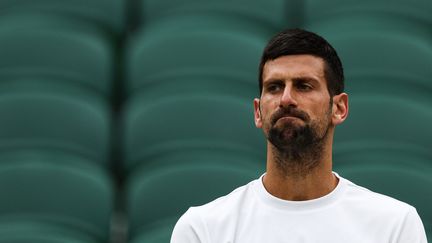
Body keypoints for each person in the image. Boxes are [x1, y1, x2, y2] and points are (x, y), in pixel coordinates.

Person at [170, 28, 428, 243]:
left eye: (304, 86)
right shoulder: (203, 230)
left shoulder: (394, 226)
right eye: (274, 87)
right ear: (258, 111)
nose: (286, 99)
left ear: (339, 108)